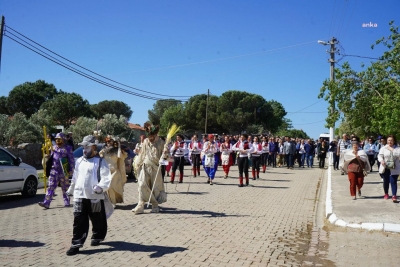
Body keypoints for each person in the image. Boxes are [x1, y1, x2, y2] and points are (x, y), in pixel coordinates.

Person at [65, 135, 112, 256]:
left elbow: (106, 177)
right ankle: (76, 243)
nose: (84, 149)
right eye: (83, 147)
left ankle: (97, 236)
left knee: (97, 218)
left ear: (94, 147)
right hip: (79, 195)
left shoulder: (100, 161)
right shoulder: (79, 161)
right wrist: (71, 189)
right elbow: (75, 177)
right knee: (78, 219)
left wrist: (100, 187)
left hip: (94, 196)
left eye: (87, 147)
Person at [132, 122, 168, 214]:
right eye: (149, 136)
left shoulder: (161, 142)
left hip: (156, 167)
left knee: (155, 187)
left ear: (155, 135)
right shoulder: (146, 141)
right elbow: (142, 153)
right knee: (142, 184)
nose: (150, 138)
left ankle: (155, 205)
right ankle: (140, 205)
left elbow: (166, 157)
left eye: (152, 137)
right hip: (145, 166)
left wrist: (165, 154)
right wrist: (137, 164)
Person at [38, 133, 75, 209]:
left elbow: (71, 160)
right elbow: (50, 156)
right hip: (54, 170)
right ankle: (46, 203)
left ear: (63, 140)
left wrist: (71, 169)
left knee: (65, 187)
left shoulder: (68, 148)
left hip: (64, 170)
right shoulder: (53, 148)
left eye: (59, 139)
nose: (57, 141)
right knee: (51, 186)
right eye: (56, 139)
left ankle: (67, 201)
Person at [99, 138, 127, 208]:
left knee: (111, 186)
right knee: (107, 188)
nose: (109, 143)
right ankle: (110, 202)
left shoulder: (116, 151)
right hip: (106, 172)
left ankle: (113, 202)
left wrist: (119, 146)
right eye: (108, 142)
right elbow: (100, 157)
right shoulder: (104, 151)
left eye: (111, 142)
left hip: (114, 171)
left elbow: (121, 156)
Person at [378, 135, 400, 202]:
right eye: (388, 140)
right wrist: (381, 160)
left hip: (394, 167)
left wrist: (393, 150)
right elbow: (380, 155)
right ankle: (386, 194)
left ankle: (394, 195)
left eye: (391, 140)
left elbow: (399, 155)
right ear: (386, 141)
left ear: (394, 141)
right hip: (385, 166)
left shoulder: (397, 148)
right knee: (386, 181)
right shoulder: (383, 148)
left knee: (393, 181)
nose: (390, 141)